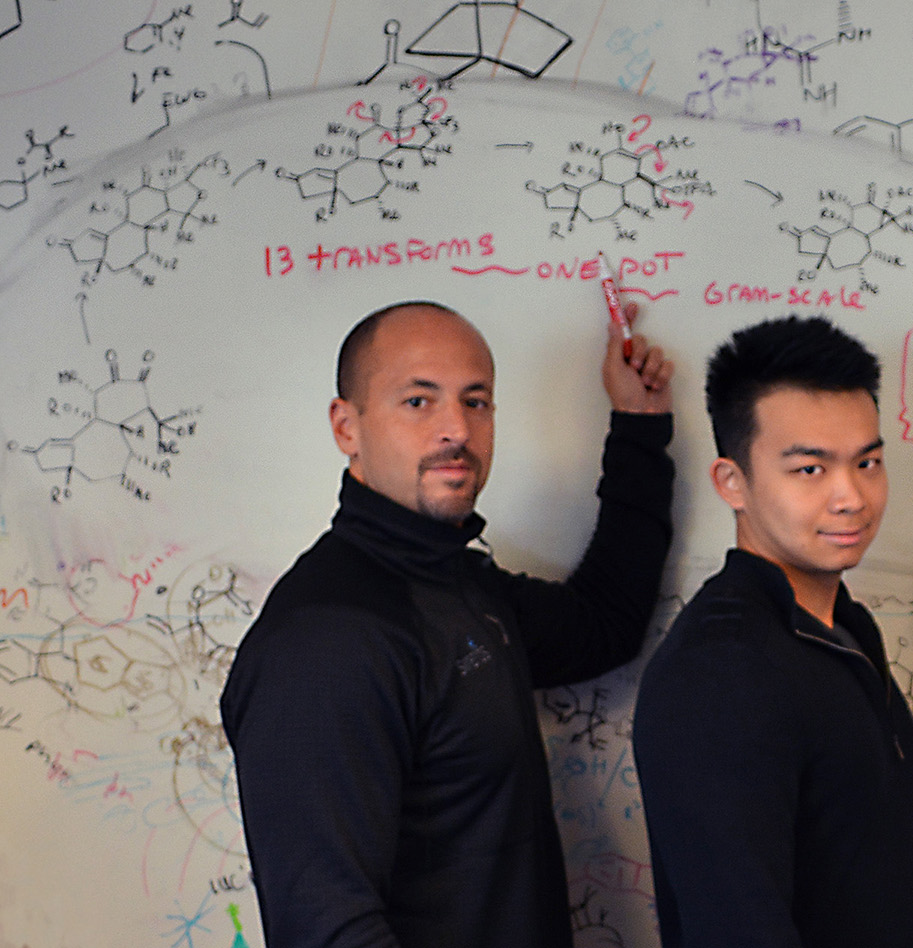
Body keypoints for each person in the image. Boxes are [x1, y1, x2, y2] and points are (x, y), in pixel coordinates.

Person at [220, 300, 674, 948]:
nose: (455, 428)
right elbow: (328, 930)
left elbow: (605, 623)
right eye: (418, 402)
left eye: (476, 401)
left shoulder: (455, 586)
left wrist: (639, 425)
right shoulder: (326, 638)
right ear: (346, 426)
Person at [633, 314, 913, 948]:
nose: (851, 496)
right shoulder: (720, 671)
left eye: (867, 462)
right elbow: (737, 928)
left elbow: (891, 831)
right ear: (732, 482)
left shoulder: (839, 626)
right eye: (810, 470)